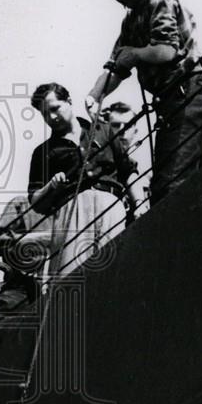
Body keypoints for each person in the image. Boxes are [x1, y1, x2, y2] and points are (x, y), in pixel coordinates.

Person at [87, 0, 202, 205]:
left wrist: (135, 54)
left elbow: (167, 50)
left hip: (188, 96)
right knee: (181, 186)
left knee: (170, 187)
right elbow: (116, 67)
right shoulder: (130, 22)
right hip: (173, 105)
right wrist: (94, 95)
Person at [27, 83, 142, 276]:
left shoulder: (103, 130)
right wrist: (51, 186)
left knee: (113, 272)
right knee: (71, 277)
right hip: (72, 213)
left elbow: (127, 170)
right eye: (45, 114)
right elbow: (36, 202)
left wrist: (139, 203)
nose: (52, 118)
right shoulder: (43, 152)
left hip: (111, 206)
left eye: (55, 109)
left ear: (69, 102)